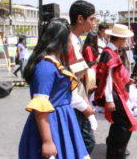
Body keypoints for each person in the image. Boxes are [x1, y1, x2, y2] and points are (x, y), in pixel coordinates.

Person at [19, 18, 89, 159]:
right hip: (52, 123)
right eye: (69, 37)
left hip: (62, 120)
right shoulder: (46, 67)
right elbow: (40, 108)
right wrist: (47, 141)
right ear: (61, 40)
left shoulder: (54, 63)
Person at [94, 24, 137, 159]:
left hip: (115, 92)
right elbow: (107, 78)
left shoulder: (111, 52)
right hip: (113, 93)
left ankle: (116, 151)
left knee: (120, 123)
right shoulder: (109, 53)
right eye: (125, 39)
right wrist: (109, 100)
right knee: (125, 124)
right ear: (119, 39)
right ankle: (116, 153)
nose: (126, 42)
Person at [68, 0, 97, 154]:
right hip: (74, 105)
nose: (93, 23)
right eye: (91, 19)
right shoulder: (68, 43)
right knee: (86, 143)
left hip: (80, 100)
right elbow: (68, 81)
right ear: (80, 19)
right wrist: (83, 106)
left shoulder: (76, 41)